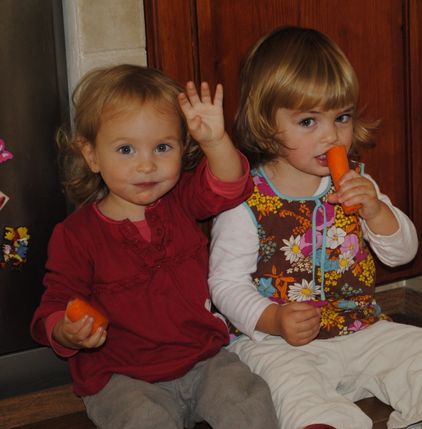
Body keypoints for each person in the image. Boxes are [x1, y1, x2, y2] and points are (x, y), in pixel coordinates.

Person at [208, 26, 422, 429]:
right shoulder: (244, 200)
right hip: (279, 343)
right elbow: (225, 284)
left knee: (420, 346)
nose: (332, 135)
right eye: (308, 121)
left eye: (342, 117)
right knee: (284, 382)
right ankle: (327, 423)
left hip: (359, 328)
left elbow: (403, 253)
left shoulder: (357, 183)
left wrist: (376, 211)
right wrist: (273, 319)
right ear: (264, 123)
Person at [31, 64, 278, 429]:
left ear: (182, 147)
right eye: (126, 149)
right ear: (91, 155)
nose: (146, 165)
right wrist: (65, 331)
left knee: (247, 400)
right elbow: (54, 304)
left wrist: (214, 141)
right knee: (143, 420)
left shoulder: (182, 199)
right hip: (121, 376)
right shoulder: (75, 235)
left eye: (162, 147)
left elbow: (230, 185)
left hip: (203, 358)